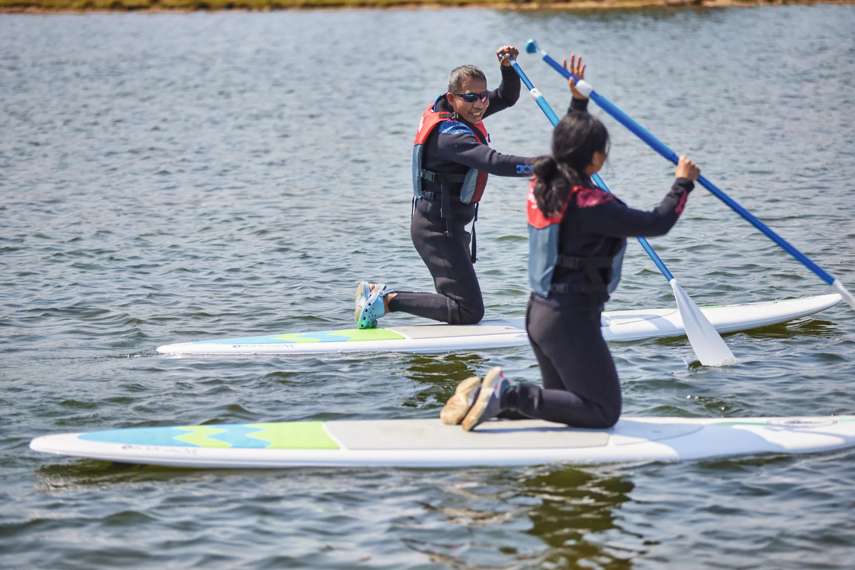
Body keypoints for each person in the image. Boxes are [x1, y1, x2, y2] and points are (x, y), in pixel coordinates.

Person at [441, 55, 701, 431]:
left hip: (539, 312)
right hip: (570, 320)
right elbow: (657, 222)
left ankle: (486, 401)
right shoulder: (593, 204)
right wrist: (683, 182)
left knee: (569, 407)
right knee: (602, 410)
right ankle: (508, 394)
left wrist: (578, 102)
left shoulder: (543, 180)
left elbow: (567, 144)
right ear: (596, 159)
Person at [354, 45, 536, 329]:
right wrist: (545, 166)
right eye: (472, 97)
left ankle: (443, 355)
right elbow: (493, 162)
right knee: (468, 311)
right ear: (452, 98)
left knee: (459, 303)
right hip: (436, 229)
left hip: (448, 224)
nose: (480, 104)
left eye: (483, 97)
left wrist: (508, 67)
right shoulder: (448, 136)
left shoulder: (464, 113)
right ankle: (385, 300)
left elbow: (507, 96)